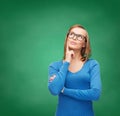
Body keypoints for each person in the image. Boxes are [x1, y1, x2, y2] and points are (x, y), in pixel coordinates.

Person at [48, 24, 102, 116]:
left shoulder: (92, 64)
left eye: (80, 36)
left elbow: (95, 94)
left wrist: (65, 90)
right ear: (67, 37)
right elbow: (54, 90)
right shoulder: (55, 66)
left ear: (84, 44)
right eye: (72, 34)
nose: (74, 38)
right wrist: (66, 63)